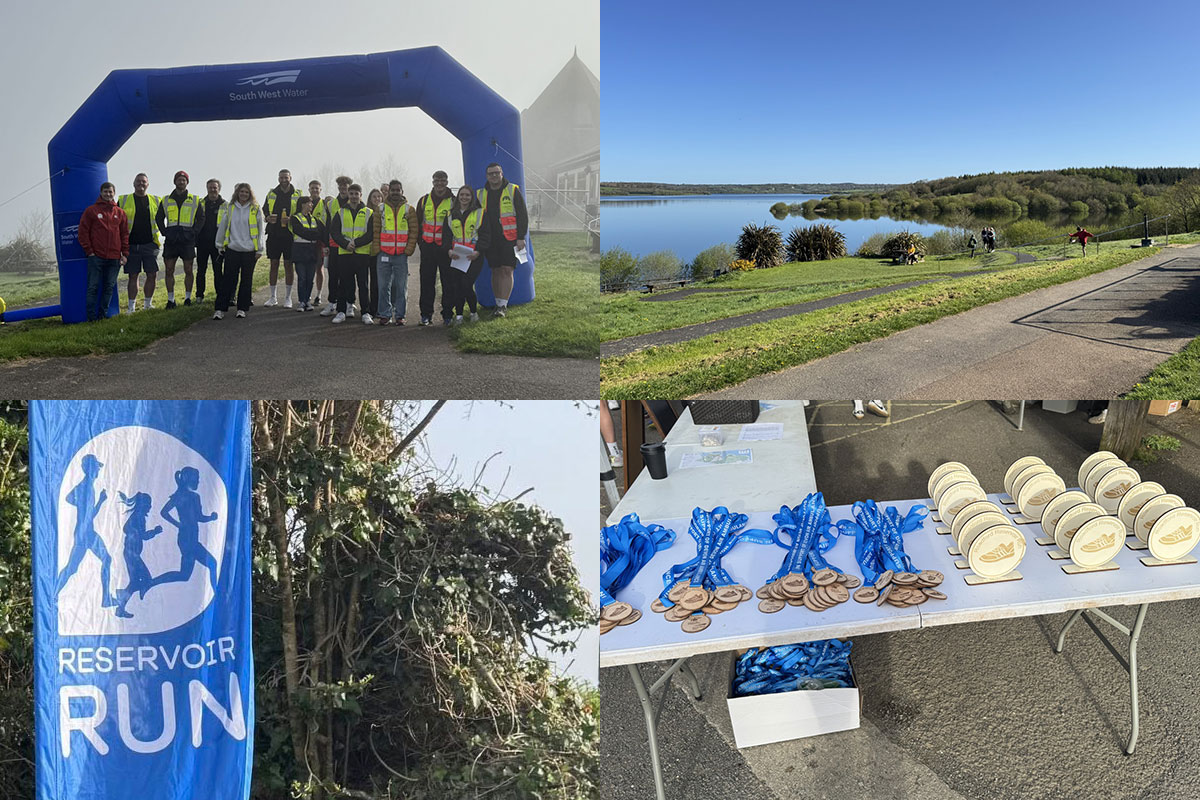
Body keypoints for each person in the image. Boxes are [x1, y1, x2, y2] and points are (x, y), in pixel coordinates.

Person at [56, 454, 114, 606]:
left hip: (84, 532)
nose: (98, 471)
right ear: (90, 468)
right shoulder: (87, 488)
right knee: (105, 560)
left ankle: (53, 594)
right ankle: (106, 600)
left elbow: (69, 498)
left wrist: (81, 506)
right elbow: (89, 516)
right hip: (86, 532)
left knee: (72, 568)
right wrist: (101, 502)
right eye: (96, 467)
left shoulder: (83, 486)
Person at [155, 466, 219, 592]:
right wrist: (178, 524)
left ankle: (151, 583)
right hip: (186, 540)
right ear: (188, 479)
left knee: (185, 575)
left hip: (193, 539)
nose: (198, 481)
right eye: (196, 479)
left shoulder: (195, 497)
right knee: (211, 564)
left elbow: (199, 517)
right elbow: (164, 512)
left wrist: (210, 518)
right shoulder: (179, 496)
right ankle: (217, 595)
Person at [477, 162, 528, 317]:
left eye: (496, 173)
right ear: (487, 176)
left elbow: (522, 215)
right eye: (491, 173)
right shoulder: (480, 193)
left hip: (510, 238)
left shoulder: (512, 190)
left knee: (507, 270)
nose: (494, 176)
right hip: (490, 239)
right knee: (495, 270)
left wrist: (521, 237)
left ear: (502, 173)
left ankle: (503, 306)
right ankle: (498, 303)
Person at [77, 181, 128, 321]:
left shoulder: (120, 213)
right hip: (96, 257)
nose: (108, 194)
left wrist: (125, 254)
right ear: (101, 193)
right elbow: (82, 232)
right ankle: (91, 317)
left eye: (110, 192)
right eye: (105, 191)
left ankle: (102, 315)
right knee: (93, 287)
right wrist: (90, 251)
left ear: (114, 193)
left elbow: (124, 234)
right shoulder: (91, 211)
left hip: (114, 257)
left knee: (109, 287)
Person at [212, 182, 262, 319]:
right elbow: (223, 226)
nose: (244, 194)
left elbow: (260, 230)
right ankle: (220, 309)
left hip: (249, 250)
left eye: (246, 192)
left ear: (250, 194)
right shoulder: (230, 208)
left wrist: (260, 249)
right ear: (237, 193)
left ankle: (242, 308)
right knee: (228, 279)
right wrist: (220, 244)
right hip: (233, 248)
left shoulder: (256, 208)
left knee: (246, 280)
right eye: (242, 192)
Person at [155, 170, 204, 308]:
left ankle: (188, 298)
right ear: (175, 181)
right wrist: (164, 232)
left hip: (187, 238)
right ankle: (171, 300)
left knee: (188, 269)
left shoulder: (195, 199)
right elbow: (159, 218)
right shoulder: (165, 199)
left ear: (187, 182)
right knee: (169, 269)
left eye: (184, 180)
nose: (181, 182)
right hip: (171, 238)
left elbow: (201, 218)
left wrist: (194, 232)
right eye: (179, 179)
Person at [329, 183, 374, 324]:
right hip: (345, 253)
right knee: (344, 284)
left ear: (361, 195)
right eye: (352, 194)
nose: (354, 196)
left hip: (362, 253)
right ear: (348, 195)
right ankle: (341, 311)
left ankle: (365, 312)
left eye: (356, 194)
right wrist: (345, 244)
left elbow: (371, 233)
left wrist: (357, 243)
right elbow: (334, 232)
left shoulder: (369, 212)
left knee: (363, 284)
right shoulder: (341, 212)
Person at [374, 179, 417, 325]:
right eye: (393, 190)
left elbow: (414, 231)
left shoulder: (409, 209)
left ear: (402, 191)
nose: (395, 192)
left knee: (401, 286)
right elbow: (376, 231)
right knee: (383, 286)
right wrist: (377, 249)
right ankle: (385, 314)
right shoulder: (380, 209)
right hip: (384, 254)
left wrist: (409, 249)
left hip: (401, 255)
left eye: (398, 190)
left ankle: (400, 315)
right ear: (389, 191)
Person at [114, 491, 163, 619]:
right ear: (143, 505)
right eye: (148, 504)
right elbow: (142, 535)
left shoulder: (138, 516)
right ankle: (122, 596)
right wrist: (155, 531)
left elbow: (129, 529)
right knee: (146, 579)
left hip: (132, 554)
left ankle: (121, 603)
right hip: (132, 555)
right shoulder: (139, 517)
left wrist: (135, 533)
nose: (150, 507)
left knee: (136, 581)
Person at [415, 170, 455, 326]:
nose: (440, 183)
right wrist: (421, 243)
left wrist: (449, 247)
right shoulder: (424, 201)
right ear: (433, 182)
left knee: (448, 283)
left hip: (445, 250)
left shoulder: (454, 201)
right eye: (436, 181)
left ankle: (447, 315)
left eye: (443, 180)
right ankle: (425, 315)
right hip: (428, 249)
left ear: (447, 182)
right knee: (426, 283)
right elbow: (418, 224)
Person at [118, 173, 161, 312]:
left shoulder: (156, 200)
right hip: (131, 245)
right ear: (133, 183)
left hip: (150, 243)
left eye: (144, 182)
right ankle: (131, 307)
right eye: (138, 181)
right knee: (133, 275)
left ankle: (147, 305)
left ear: (148, 184)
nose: (141, 184)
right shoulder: (123, 200)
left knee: (152, 274)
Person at [443, 184, 485, 324]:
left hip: (474, 257)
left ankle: (473, 313)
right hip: (457, 257)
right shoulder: (450, 214)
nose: (464, 197)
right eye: (462, 195)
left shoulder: (480, 213)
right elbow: (446, 236)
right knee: (457, 286)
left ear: (472, 197)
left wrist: (478, 252)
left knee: (466, 285)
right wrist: (448, 250)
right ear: (458, 197)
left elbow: (485, 235)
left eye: (467, 195)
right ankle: (459, 316)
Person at [263, 169, 301, 307]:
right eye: (281, 177)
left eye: (286, 177)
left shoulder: (298, 194)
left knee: (288, 265)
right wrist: (267, 217)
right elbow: (265, 209)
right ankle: (272, 297)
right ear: (278, 178)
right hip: (274, 234)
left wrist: (293, 219)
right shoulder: (272, 193)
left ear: (291, 177)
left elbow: (303, 211)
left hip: (290, 235)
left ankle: (288, 298)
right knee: (273, 264)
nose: (283, 180)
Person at [320, 176, 353, 317]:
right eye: (340, 186)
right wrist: (325, 245)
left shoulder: (355, 202)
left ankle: (349, 303)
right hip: (333, 246)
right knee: (333, 276)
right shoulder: (331, 204)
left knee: (349, 277)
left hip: (349, 246)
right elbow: (324, 226)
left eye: (345, 186)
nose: (343, 188)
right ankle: (332, 303)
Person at [289, 195, 325, 311]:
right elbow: (300, 231)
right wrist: (313, 233)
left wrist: (312, 233)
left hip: (312, 251)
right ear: (303, 204)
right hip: (300, 250)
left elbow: (320, 233)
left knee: (310, 278)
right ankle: (301, 302)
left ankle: (307, 301)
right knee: (302, 278)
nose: (311, 205)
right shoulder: (295, 218)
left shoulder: (315, 219)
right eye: (309, 203)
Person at [196, 178, 226, 303]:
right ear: (207, 188)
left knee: (218, 271)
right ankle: (199, 296)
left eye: (215, 187)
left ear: (219, 189)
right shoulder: (200, 203)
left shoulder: (226, 205)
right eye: (210, 187)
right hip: (202, 243)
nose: (213, 190)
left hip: (218, 244)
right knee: (201, 270)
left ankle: (219, 295)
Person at [307, 179, 328, 305]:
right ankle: (307, 295)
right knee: (308, 268)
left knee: (319, 268)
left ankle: (318, 295)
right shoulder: (304, 203)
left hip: (320, 241)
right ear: (309, 189)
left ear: (320, 190)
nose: (314, 190)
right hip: (307, 241)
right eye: (312, 188)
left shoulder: (325, 203)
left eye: (317, 188)